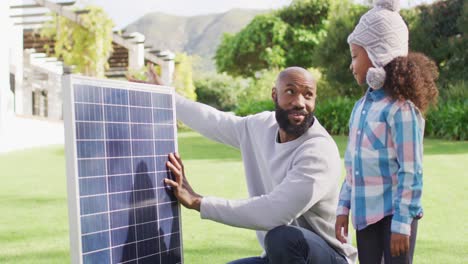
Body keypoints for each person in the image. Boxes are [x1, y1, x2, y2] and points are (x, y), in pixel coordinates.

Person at [136, 66, 357, 263]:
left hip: (328, 257)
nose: (299, 102)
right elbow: (215, 122)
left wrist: (199, 202)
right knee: (277, 243)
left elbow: (275, 213)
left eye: (308, 95)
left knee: (282, 238)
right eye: (290, 91)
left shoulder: (318, 150)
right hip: (278, 257)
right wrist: (169, 98)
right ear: (274, 94)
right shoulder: (261, 127)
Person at [334, 0, 439, 264]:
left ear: (378, 53)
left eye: (355, 56)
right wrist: (343, 207)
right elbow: (353, 166)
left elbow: (411, 170)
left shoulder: (401, 110)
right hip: (365, 215)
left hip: (394, 216)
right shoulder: (361, 108)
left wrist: (403, 223)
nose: (351, 65)